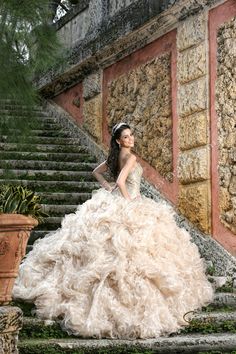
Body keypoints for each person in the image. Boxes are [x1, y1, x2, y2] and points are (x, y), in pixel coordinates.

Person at [13, 122, 214, 339]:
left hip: (115, 200)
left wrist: (110, 190)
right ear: (119, 140)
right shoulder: (132, 158)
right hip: (128, 202)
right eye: (126, 137)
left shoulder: (114, 157)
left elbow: (97, 173)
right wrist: (130, 202)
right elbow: (120, 180)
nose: (131, 139)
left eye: (131, 135)